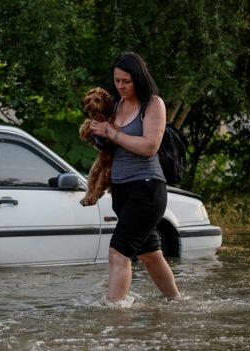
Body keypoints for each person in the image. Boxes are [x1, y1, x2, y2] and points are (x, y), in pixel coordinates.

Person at [87, 52, 181, 302]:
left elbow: (149, 146)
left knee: (118, 253)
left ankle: (116, 316)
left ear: (138, 78)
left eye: (126, 81)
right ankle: (176, 302)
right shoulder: (116, 105)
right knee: (150, 254)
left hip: (147, 189)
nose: (120, 86)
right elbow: (111, 147)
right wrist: (99, 134)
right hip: (121, 190)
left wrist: (112, 133)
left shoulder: (153, 104)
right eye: (117, 81)